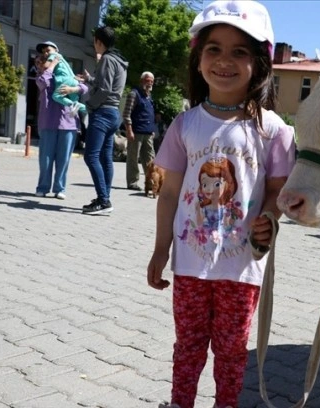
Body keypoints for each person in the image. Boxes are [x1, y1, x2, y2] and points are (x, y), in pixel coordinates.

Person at [146, 1, 295, 407]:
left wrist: (269, 216)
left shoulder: (273, 130)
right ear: (197, 59)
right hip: (190, 262)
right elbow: (171, 192)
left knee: (232, 350)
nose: (224, 61)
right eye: (213, 49)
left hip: (242, 265)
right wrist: (162, 249)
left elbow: (277, 191)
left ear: (259, 64)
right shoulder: (185, 124)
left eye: (239, 51)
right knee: (188, 344)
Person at [80, 26, 128, 215]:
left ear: (99, 42)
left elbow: (106, 89)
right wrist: (90, 79)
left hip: (102, 113)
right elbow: (107, 85)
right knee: (105, 157)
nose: (94, 45)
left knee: (91, 156)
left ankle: (103, 200)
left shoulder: (107, 59)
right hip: (113, 112)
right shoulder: (119, 60)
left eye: (94, 42)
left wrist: (90, 104)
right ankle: (105, 196)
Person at [33, 48, 87, 199]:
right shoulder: (43, 76)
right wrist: (51, 66)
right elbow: (42, 82)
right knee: (46, 159)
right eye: (37, 63)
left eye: (41, 61)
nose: (39, 65)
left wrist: (73, 88)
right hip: (48, 122)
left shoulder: (66, 75)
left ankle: (60, 188)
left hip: (68, 123)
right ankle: (43, 187)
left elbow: (84, 87)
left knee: (64, 159)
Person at [122, 71, 156, 191]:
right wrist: (129, 130)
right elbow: (126, 114)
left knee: (150, 159)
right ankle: (132, 182)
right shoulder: (134, 94)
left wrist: (152, 130)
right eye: (147, 80)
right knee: (133, 157)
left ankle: (151, 182)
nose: (150, 83)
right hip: (136, 131)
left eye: (152, 81)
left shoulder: (149, 96)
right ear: (141, 81)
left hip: (147, 132)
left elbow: (149, 115)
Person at [36, 41, 86, 117]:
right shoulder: (62, 58)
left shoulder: (54, 56)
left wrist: (50, 64)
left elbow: (46, 67)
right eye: (44, 52)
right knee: (75, 100)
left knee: (56, 96)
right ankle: (87, 109)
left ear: (56, 50)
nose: (46, 53)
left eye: (48, 50)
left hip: (63, 80)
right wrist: (75, 81)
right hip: (73, 80)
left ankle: (73, 105)